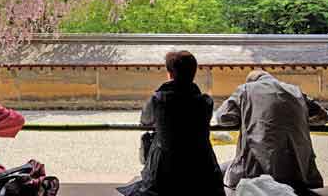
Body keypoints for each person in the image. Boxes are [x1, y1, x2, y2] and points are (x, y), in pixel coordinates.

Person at [117, 51, 226, 196]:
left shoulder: (159, 99)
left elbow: (145, 120)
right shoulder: (205, 101)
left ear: (170, 73)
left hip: (165, 166)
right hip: (201, 165)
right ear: (193, 72)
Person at [215, 70, 328, 193]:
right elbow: (323, 117)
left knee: (218, 170)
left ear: (252, 81)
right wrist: (298, 119)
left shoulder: (246, 89)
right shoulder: (296, 91)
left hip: (257, 173)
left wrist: (246, 115)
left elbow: (222, 117)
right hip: (301, 174)